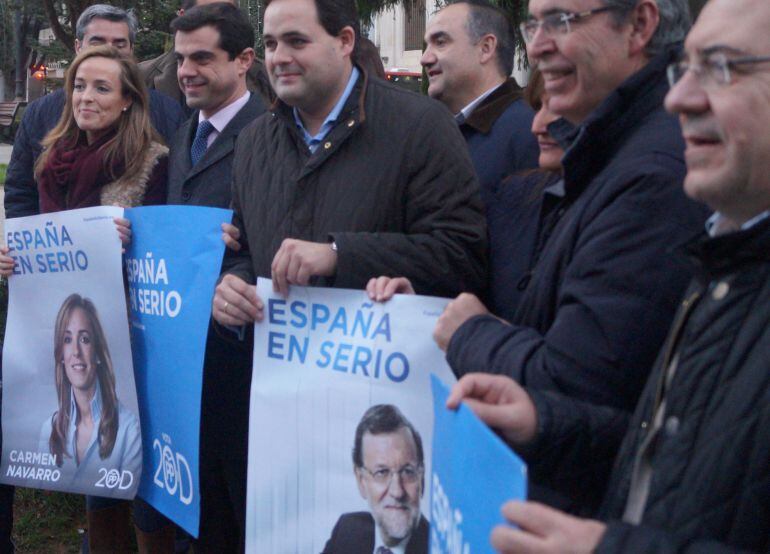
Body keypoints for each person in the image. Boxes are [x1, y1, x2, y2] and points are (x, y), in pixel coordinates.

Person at [446, 1, 770, 550]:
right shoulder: (728, 254)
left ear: (640, 26)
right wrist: (546, 423)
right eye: (684, 69)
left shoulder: (658, 181)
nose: (681, 98)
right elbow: (683, 449)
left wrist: (608, 547)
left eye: (722, 67)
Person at [212, 0, 487, 326]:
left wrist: (339, 254)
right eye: (270, 44)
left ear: (344, 41)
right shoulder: (252, 141)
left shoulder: (421, 126)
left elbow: (461, 256)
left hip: (382, 368)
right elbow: (242, 249)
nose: (279, 58)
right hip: (280, 368)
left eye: (296, 41)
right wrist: (232, 287)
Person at [0, 45, 173, 554]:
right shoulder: (52, 157)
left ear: (128, 101)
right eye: (78, 85)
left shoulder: (151, 162)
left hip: (132, 339)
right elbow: (41, 242)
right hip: (71, 335)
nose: (85, 97)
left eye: (101, 88)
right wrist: (14, 260)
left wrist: (131, 241)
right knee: (99, 474)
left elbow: (164, 251)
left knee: (140, 472)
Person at [165, 3, 266, 551]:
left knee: (237, 518)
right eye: (181, 59)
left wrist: (243, 246)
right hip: (187, 366)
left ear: (244, 60)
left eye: (202, 57)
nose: (186, 71)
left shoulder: (271, 133)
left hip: (244, 366)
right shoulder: (186, 133)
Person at [4, 4, 183, 219]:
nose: (87, 97)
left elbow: (171, 212)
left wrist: (132, 232)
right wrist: (25, 247)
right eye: (98, 42)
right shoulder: (42, 120)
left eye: (119, 43)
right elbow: (21, 195)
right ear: (78, 46)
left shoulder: (165, 117)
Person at [421, 0, 539, 204]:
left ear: (486, 48)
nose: (425, 58)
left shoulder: (530, 132)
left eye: (440, 42)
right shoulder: (437, 132)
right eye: (427, 45)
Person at [39, 294, 141, 488]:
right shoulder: (49, 431)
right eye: (67, 339)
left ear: (98, 353)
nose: (76, 351)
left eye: (84, 339)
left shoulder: (129, 431)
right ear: (61, 354)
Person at [323, 405, 428, 554]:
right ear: (361, 481)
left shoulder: (442, 549)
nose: (397, 491)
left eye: (407, 472)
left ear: (421, 478)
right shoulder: (347, 532)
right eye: (382, 472)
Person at [139, 0, 274, 114]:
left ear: (244, 60)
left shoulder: (271, 79)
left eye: (229, 16)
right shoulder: (140, 78)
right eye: (204, 15)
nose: (186, 71)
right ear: (183, 16)